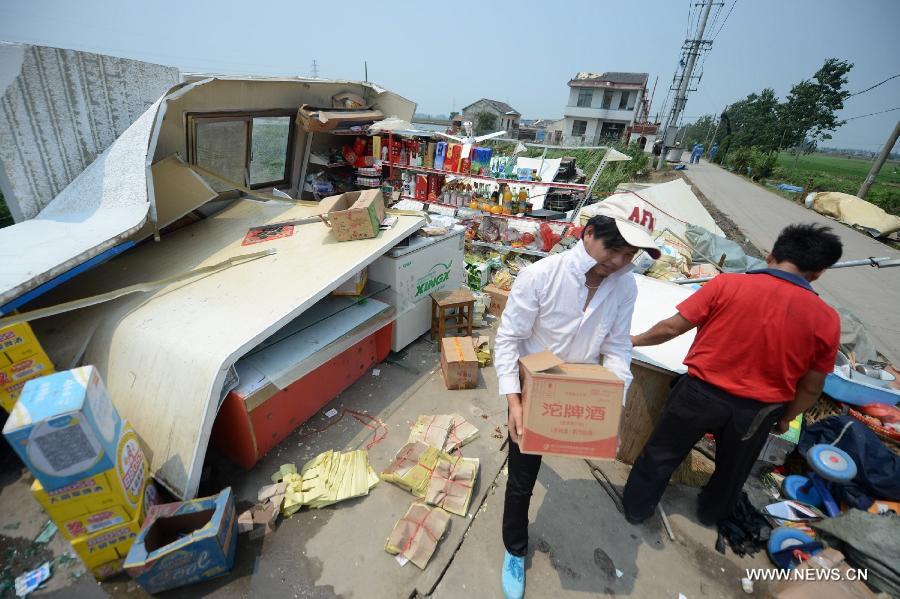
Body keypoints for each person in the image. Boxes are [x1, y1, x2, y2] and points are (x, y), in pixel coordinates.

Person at [494, 196, 662, 599]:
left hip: (581, 387)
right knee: (522, 476)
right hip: (536, 385)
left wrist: (612, 411)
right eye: (614, 250)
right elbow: (509, 339)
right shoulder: (540, 276)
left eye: (630, 254)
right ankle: (515, 549)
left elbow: (619, 348)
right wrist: (514, 404)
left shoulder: (625, 286)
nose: (620, 262)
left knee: (566, 444)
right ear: (588, 234)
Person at [622, 224, 843, 526]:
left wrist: (633, 341)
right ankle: (709, 514)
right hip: (757, 411)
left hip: (699, 394)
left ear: (770, 255)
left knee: (661, 454)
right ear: (819, 272)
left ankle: (636, 508)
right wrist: (785, 416)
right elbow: (811, 388)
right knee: (733, 470)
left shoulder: (727, 285)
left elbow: (672, 328)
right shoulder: (827, 319)